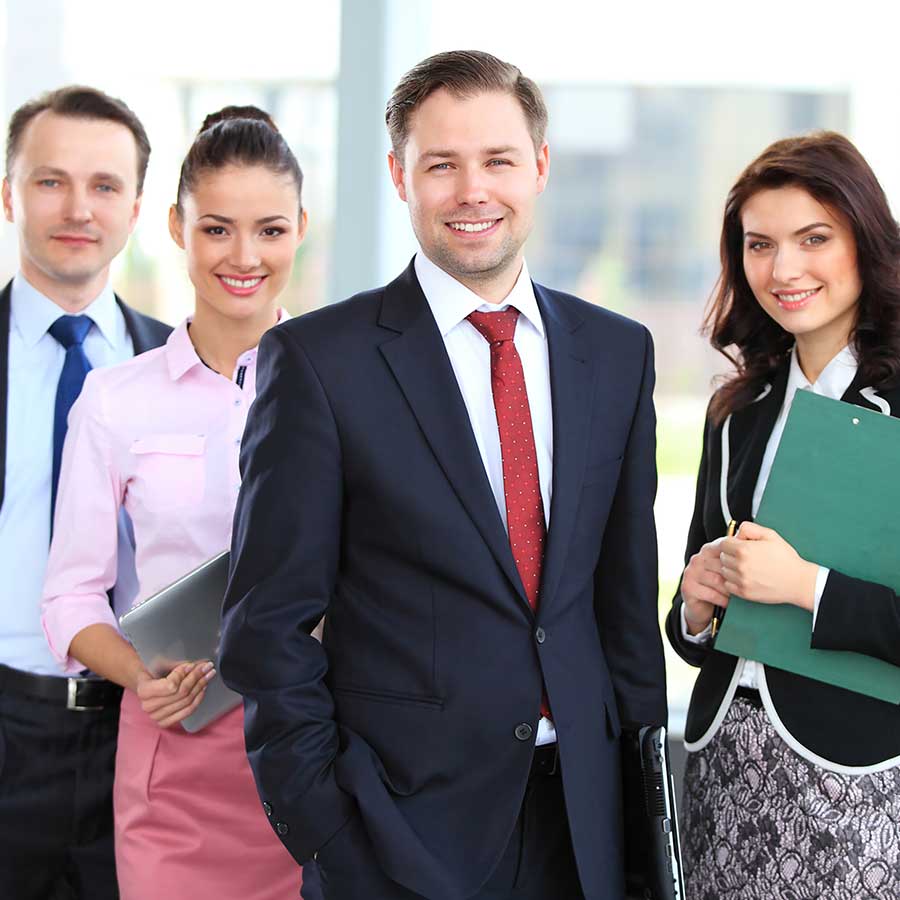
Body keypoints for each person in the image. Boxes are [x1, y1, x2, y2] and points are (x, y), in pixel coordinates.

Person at [219, 50, 667, 900]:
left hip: (585, 830)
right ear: (399, 175)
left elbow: (624, 607)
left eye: (497, 160)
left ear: (539, 166)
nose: (473, 190)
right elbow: (266, 629)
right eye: (441, 165)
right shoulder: (319, 363)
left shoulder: (617, 354)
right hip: (398, 837)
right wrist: (330, 831)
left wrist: (641, 829)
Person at [40, 106, 317, 900]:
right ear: (176, 227)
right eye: (216, 229)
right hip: (174, 753)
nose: (243, 257)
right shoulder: (114, 401)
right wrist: (138, 673)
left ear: (300, 228)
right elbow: (68, 594)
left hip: (314, 749)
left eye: (269, 230)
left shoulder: (347, 389)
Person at [665, 132, 900, 898]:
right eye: (759, 244)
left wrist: (808, 587)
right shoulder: (738, 410)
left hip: (860, 783)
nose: (783, 269)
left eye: (813, 239)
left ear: (865, 240)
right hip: (726, 773)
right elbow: (696, 632)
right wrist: (694, 607)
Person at [0, 85, 171, 899]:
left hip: (150, 734)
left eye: (105, 185)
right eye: (50, 180)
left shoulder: (186, 368)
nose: (78, 208)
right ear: (8, 193)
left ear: (136, 208)